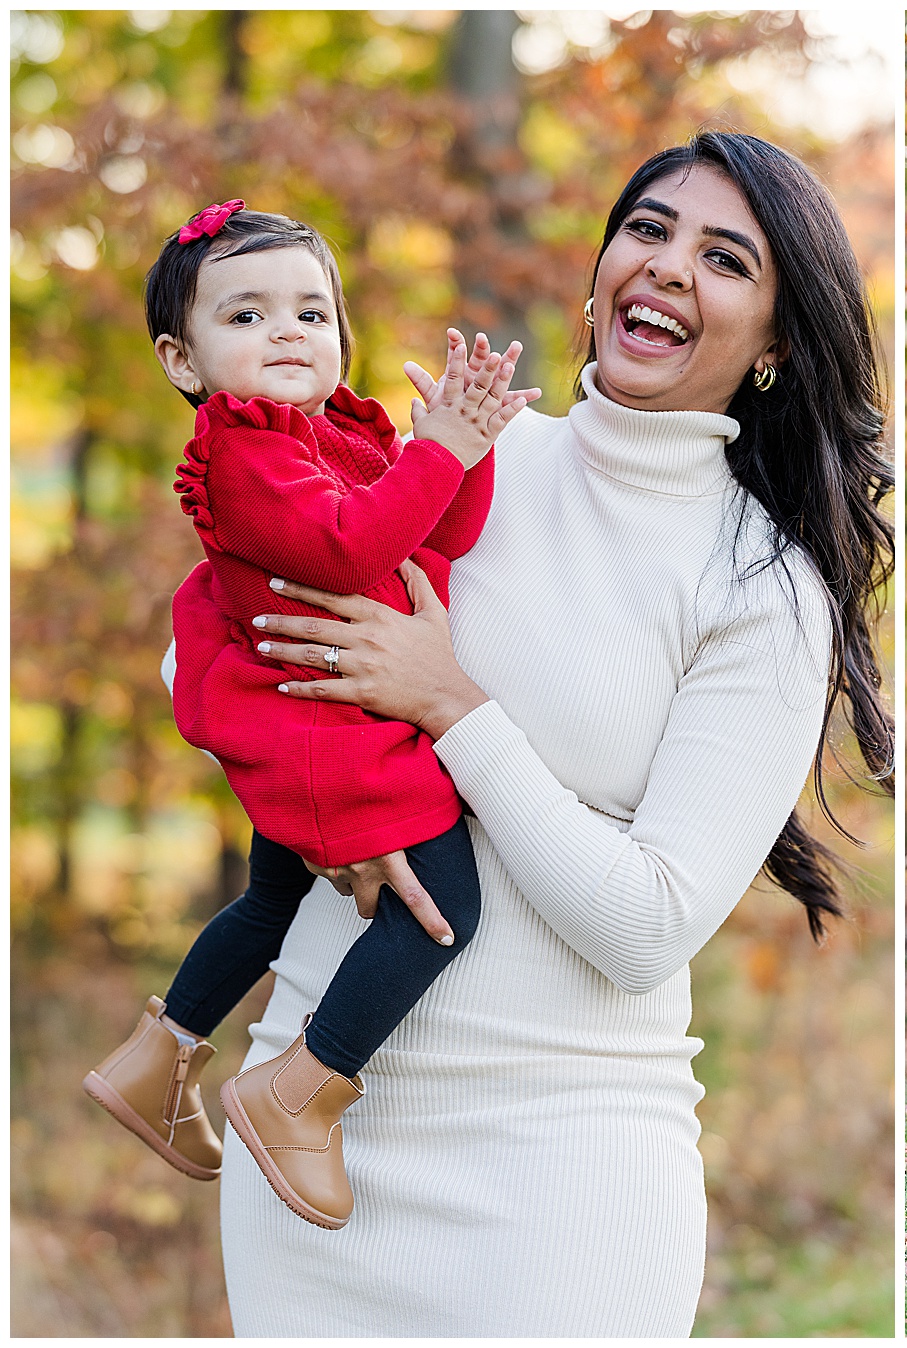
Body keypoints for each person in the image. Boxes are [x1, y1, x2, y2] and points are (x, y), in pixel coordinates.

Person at [166, 132, 892, 1333]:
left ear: (775, 342)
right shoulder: (461, 459)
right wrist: (314, 776)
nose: (665, 267)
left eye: (724, 257)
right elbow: (214, 642)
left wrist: (449, 704)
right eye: (648, 230)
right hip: (305, 1132)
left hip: (564, 1163)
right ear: (601, 264)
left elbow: (645, 925)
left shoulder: (761, 584)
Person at [84, 202, 537, 1233]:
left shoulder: (335, 430)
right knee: (444, 908)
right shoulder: (244, 450)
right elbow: (345, 547)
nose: (286, 332)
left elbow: (437, 536)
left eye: (311, 311)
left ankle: (159, 1053)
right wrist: (434, 456)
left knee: (273, 896)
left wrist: (466, 444)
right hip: (335, 736)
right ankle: (303, 1089)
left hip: (310, 717)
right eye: (243, 317)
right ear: (181, 359)